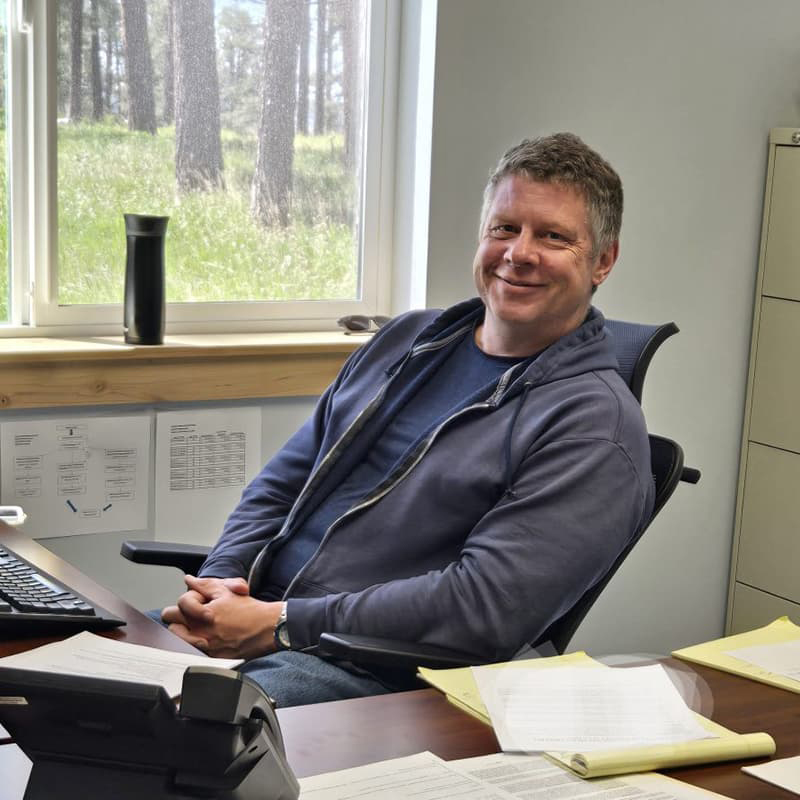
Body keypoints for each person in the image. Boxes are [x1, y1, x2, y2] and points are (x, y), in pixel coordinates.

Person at [161, 132, 655, 707]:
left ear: (603, 260)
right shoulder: (409, 338)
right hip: (259, 621)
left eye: (552, 236)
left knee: (167, 733)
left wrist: (279, 622)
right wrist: (222, 582)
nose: (520, 253)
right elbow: (283, 481)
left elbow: (482, 606)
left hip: (373, 668)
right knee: (65, 661)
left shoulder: (595, 428)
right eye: (504, 228)